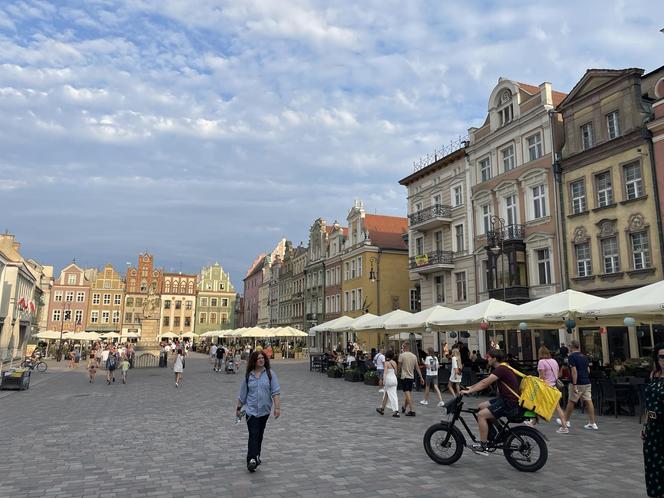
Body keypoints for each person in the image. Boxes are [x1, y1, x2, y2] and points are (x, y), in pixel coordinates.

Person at [460, 349, 521, 455]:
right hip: (504, 398)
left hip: (508, 401)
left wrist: (469, 391)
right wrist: (470, 387)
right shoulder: (503, 367)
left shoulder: (501, 369)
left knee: (481, 415)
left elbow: (485, 383)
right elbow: (485, 381)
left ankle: (483, 447)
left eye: (488, 357)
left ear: (494, 359)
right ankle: (497, 434)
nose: (487, 359)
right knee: (481, 406)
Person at [236, 351, 281, 472]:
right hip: (251, 411)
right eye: (258, 358)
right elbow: (242, 395)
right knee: (253, 434)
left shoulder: (270, 374)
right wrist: (238, 409)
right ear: (254, 361)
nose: (261, 360)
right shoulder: (248, 376)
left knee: (259, 435)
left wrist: (277, 408)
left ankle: (257, 456)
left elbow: (275, 392)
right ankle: (251, 459)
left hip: (264, 411)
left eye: (263, 358)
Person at [558, 339, 598, 431]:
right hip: (586, 382)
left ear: (572, 347)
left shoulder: (572, 357)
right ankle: (593, 423)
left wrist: (575, 384)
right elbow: (588, 370)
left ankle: (566, 420)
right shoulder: (584, 356)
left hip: (577, 382)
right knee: (588, 401)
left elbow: (574, 371)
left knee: (571, 401)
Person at [528, 346, 568, 434]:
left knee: (535, 403)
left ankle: (533, 422)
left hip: (545, 388)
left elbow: (541, 377)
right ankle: (564, 427)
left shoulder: (541, 362)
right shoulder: (554, 361)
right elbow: (557, 375)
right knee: (557, 408)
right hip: (553, 387)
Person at [642, 342, 664, 498]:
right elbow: (648, 405)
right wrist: (645, 426)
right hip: (652, 427)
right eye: (662, 356)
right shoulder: (654, 375)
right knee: (652, 465)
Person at [398, 342, 424, 417]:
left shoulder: (402, 355)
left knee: (407, 393)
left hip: (405, 376)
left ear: (404, 347)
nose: (402, 348)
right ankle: (404, 407)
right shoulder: (414, 356)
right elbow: (417, 367)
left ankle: (412, 410)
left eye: (402, 346)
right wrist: (421, 377)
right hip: (411, 377)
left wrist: (397, 373)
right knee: (408, 392)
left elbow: (399, 367)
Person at [376, 350, 400, 417]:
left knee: (393, 396)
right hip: (394, 379)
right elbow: (396, 372)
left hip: (389, 379)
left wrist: (384, 380)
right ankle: (382, 409)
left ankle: (396, 411)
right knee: (386, 394)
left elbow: (385, 372)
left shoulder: (386, 363)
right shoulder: (394, 363)